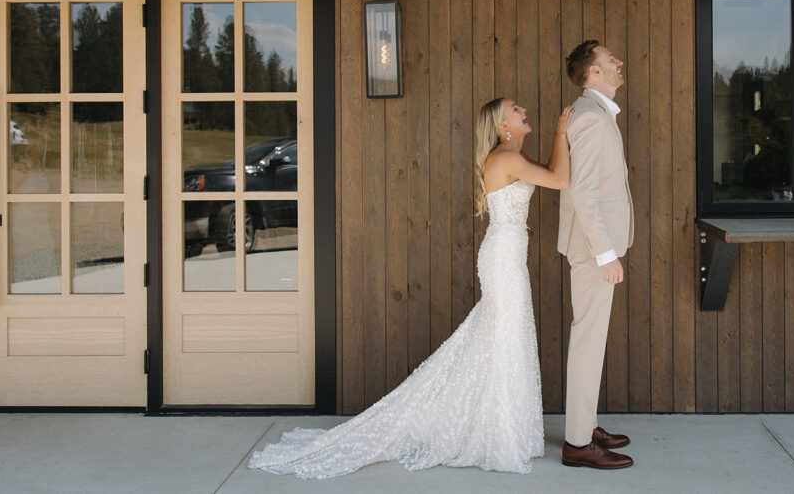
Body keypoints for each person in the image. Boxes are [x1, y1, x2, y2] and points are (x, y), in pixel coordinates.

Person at [248, 97, 572, 479]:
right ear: (503, 125)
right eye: (515, 108)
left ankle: (506, 426)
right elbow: (560, 179)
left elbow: (552, 172)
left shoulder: (512, 155)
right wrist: (561, 132)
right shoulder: (504, 157)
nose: (522, 110)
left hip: (508, 253)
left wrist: (558, 138)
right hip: (503, 257)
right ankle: (498, 431)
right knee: (504, 336)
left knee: (506, 336)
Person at [558, 40, 635, 470]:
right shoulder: (589, 118)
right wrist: (606, 254)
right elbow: (583, 192)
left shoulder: (597, 113)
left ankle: (584, 426)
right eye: (610, 60)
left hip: (596, 247)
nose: (618, 62)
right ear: (594, 73)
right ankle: (577, 444)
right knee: (588, 340)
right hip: (592, 250)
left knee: (592, 338)